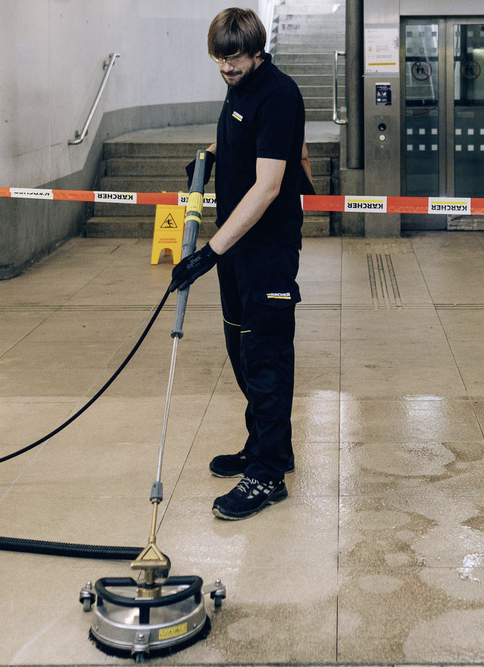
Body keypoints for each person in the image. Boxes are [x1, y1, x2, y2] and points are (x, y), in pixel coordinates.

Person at [168, 7, 310, 521]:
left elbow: (270, 184)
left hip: (265, 252)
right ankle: (266, 446)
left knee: (267, 358)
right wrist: (209, 157)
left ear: (257, 51)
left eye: (235, 60)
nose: (227, 69)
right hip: (236, 247)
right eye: (220, 60)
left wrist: (209, 252)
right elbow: (244, 144)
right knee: (242, 351)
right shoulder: (241, 89)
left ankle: (268, 475)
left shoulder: (277, 94)